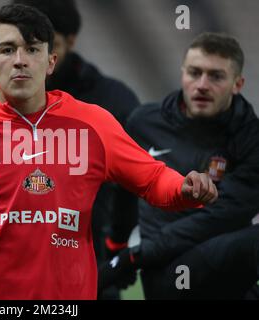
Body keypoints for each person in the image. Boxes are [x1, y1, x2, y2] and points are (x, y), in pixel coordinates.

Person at [0, 4, 217, 300]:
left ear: (50, 61)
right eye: (7, 49)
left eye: (32, 49)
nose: (20, 60)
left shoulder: (94, 124)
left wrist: (186, 189)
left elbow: (153, 179)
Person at [0, 0, 141, 299]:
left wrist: (117, 244)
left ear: (69, 41)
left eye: (38, 46)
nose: (25, 59)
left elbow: (134, 181)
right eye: (17, 47)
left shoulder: (112, 101)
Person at [98, 32, 259, 299]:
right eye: (194, 73)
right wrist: (115, 250)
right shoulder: (144, 122)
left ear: (237, 84)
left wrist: (137, 255)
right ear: (182, 73)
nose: (202, 84)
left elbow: (220, 215)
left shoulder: (251, 138)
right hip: (168, 275)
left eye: (216, 76)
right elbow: (124, 194)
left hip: (220, 268)